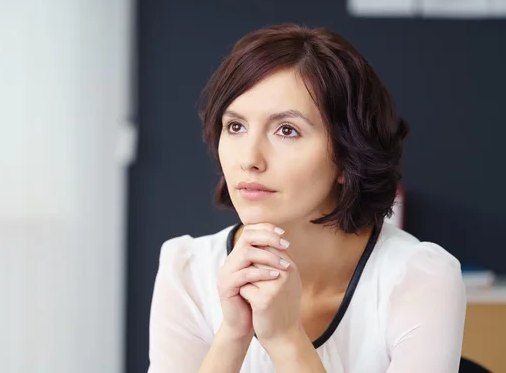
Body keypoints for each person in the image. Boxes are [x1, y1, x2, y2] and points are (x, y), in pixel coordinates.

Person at [147, 23, 466, 373]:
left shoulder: (418, 278)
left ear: (348, 156)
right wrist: (233, 334)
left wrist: (286, 340)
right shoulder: (187, 270)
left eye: (287, 130)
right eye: (235, 126)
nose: (249, 159)